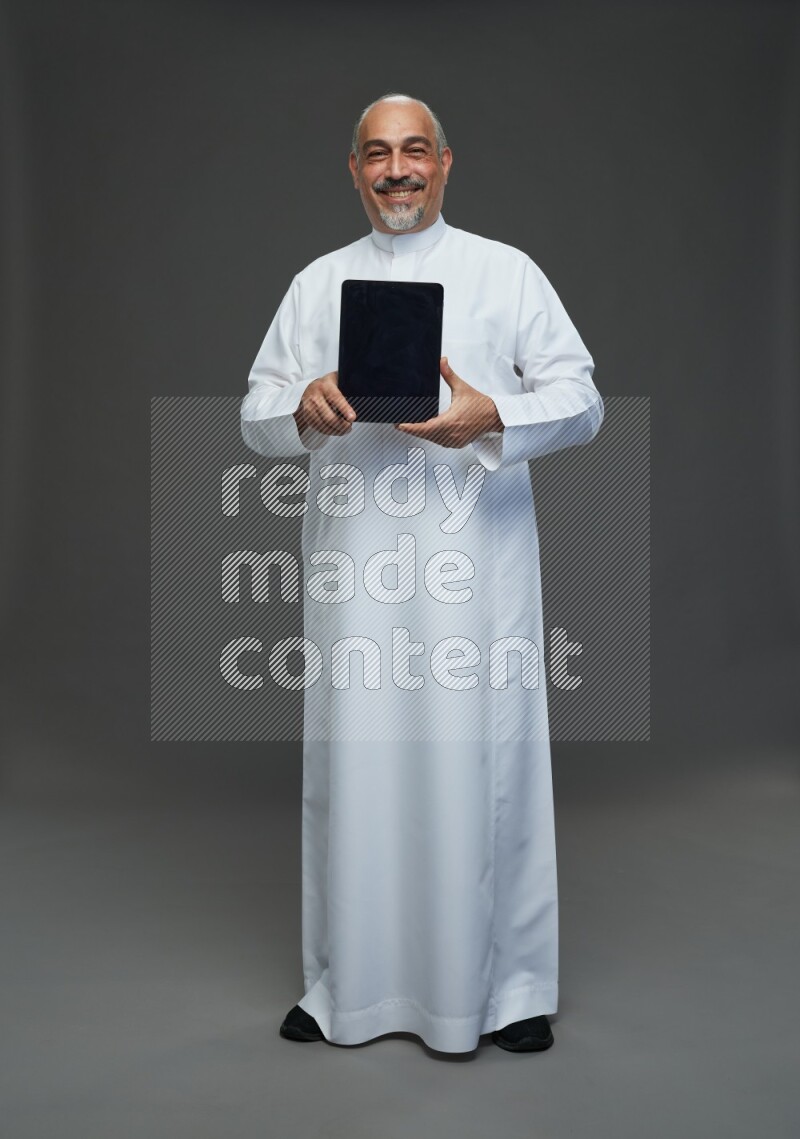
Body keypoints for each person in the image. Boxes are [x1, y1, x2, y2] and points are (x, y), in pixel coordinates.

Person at [240, 93, 604, 1054]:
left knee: (488, 763)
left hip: (474, 573)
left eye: (413, 152)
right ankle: (343, 984)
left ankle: (512, 986)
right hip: (356, 569)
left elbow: (583, 398)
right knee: (354, 769)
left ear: (446, 162)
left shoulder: (505, 272)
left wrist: (493, 417)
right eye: (375, 154)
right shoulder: (318, 282)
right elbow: (256, 416)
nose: (396, 170)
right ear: (352, 170)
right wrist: (304, 410)